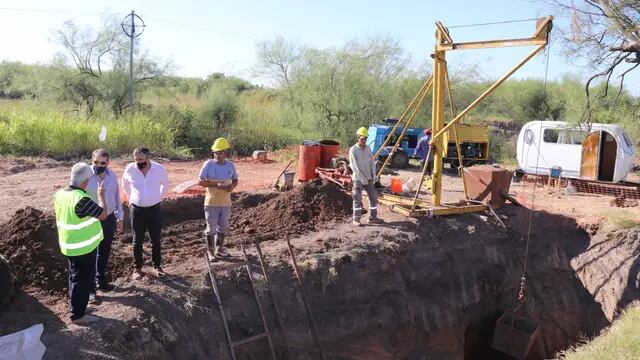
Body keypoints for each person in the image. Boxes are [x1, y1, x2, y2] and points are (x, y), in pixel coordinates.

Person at [53, 162, 108, 325]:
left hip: (69, 245)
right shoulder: (81, 200)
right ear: (85, 182)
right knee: (82, 280)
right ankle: (78, 315)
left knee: (74, 277)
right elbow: (103, 214)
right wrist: (101, 196)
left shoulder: (60, 194)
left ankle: (75, 307)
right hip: (83, 247)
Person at [122, 146, 170, 279]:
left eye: (141, 159)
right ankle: (137, 268)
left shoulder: (159, 169)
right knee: (137, 240)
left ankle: (157, 266)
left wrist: (159, 197)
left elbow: (165, 184)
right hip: (137, 209)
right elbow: (125, 184)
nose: (138, 161)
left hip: (154, 209)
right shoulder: (130, 169)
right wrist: (130, 198)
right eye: (136, 159)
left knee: (155, 239)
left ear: (148, 158)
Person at [86, 149, 124, 295]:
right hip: (91, 219)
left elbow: (116, 197)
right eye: (96, 162)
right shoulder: (86, 176)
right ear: (92, 160)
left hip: (108, 218)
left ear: (108, 163)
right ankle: (90, 290)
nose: (99, 165)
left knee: (104, 251)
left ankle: (100, 281)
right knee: (90, 253)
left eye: (103, 163)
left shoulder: (112, 175)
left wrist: (120, 216)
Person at [198, 137, 238, 259]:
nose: (217, 154)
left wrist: (232, 186)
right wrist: (216, 185)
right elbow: (200, 181)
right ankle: (210, 252)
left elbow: (235, 179)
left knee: (223, 227)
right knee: (211, 228)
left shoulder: (230, 165)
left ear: (225, 152)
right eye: (215, 152)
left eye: (220, 152)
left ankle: (219, 249)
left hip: (225, 203)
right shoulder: (208, 165)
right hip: (211, 202)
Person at [349, 127, 382, 226]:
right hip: (358, 179)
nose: (364, 140)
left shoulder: (367, 148)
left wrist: (374, 174)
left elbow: (371, 162)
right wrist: (361, 178)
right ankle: (356, 219)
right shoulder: (353, 150)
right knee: (357, 199)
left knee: (373, 197)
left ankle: (373, 217)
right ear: (357, 138)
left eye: (365, 138)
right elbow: (354, 165)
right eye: (362, 138)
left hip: (368, 177)